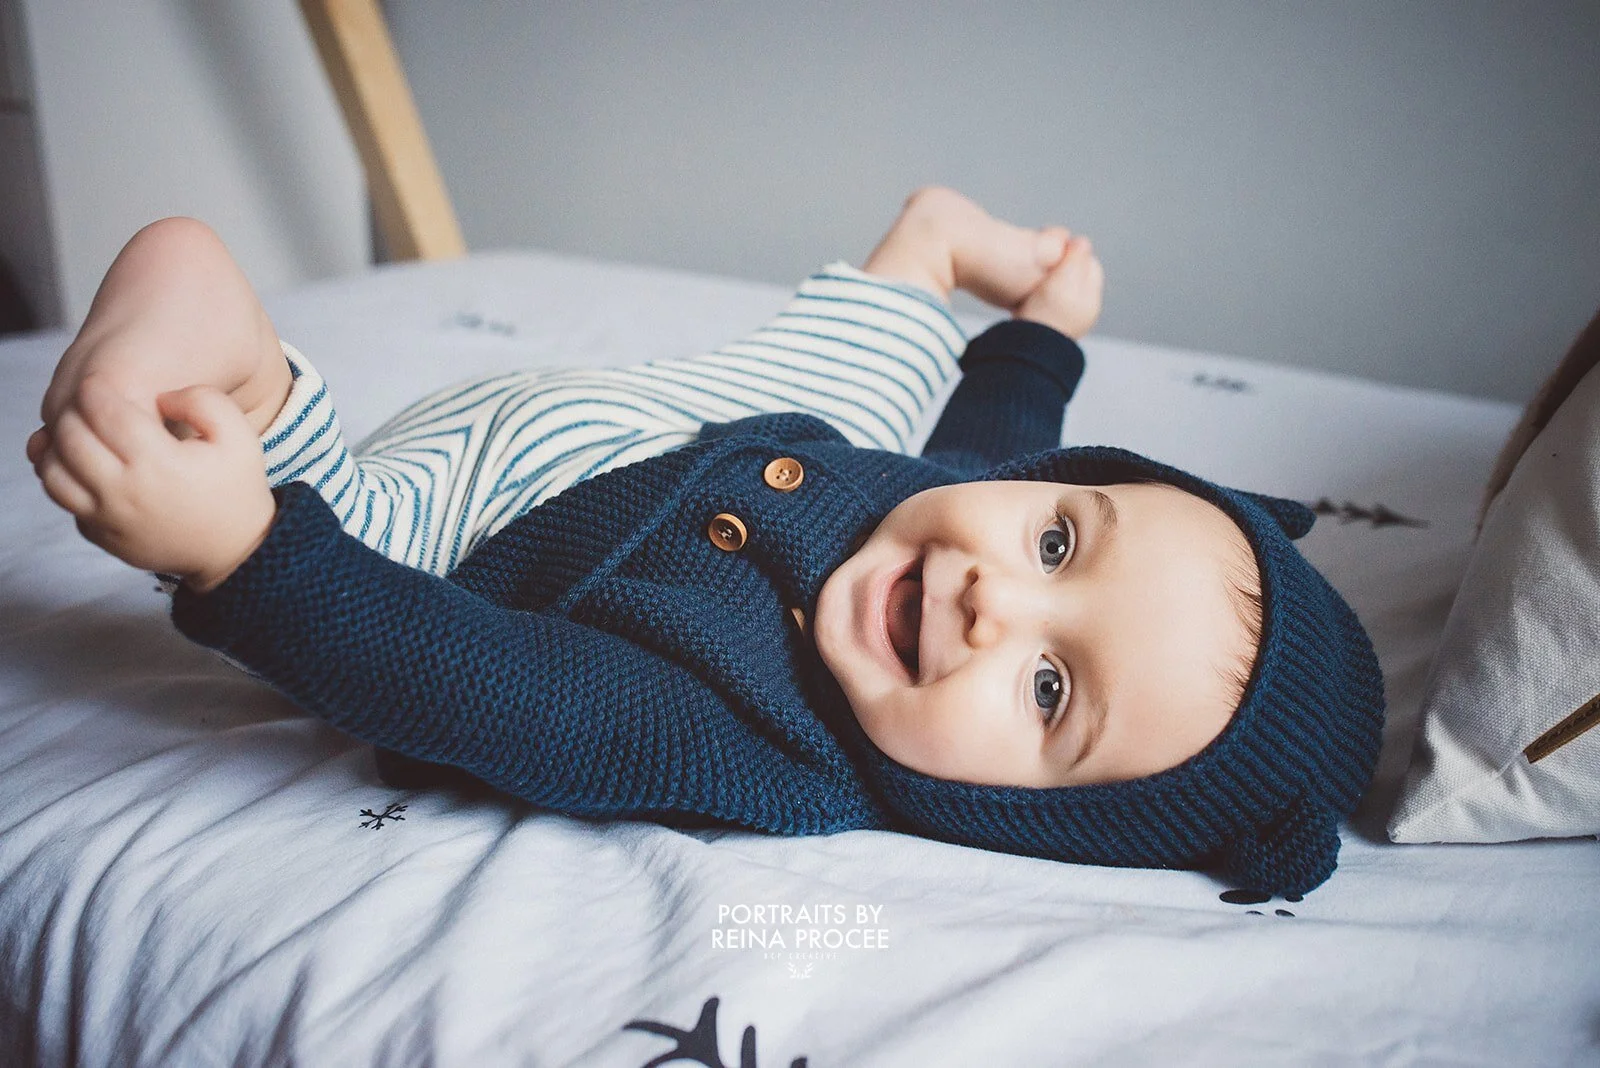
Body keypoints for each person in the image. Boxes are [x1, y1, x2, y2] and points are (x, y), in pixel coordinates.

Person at [25, 188, 1385, 895]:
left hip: (422, 533)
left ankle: (163, 405)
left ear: (1027, 821)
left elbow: (490, 693)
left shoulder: (756, 746)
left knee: (189, 265)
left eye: (1047, 690)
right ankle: (930, 251)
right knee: (853, 401)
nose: (993, 604)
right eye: (1059, 545)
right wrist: (1040, 337)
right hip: (668, 419)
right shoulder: (942, 514)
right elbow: (996, 446)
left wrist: (247, 555)